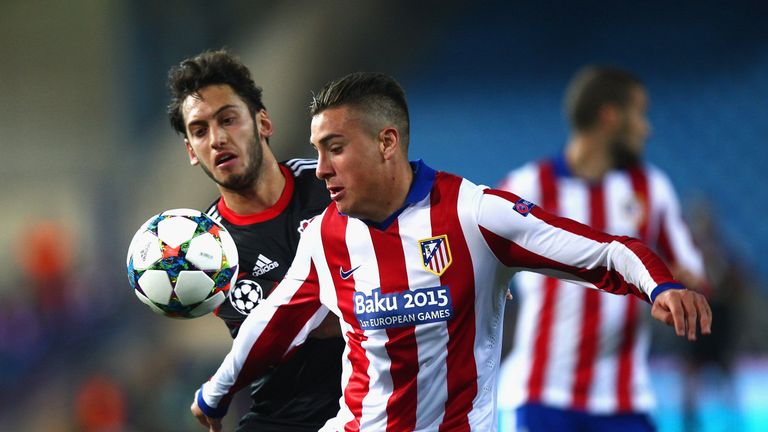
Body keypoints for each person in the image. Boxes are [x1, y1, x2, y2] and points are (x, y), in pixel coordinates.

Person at [189, 71, 712, 432]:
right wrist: (215, 390)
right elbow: (275, 321)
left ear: (387, 142)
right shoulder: (327, 234)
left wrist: (660, 285)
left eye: (336, 148)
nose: (320, 168)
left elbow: (604, 250)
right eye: (317, 150)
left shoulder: (475, 215)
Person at [495, 66, 709, 431]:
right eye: (639, 113)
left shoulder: (651, 188)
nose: (646, 127)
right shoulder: (526, 186)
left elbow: (694, 274)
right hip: (541, 397)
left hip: (624, 401)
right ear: (610, 116)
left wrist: (683, 286)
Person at [166, 49, 344, 432]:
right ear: (190, 152)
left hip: (382, 397)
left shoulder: (332, 183)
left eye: (228, 119)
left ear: (263, 122)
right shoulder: (206, 249)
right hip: (289, 413)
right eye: (200, 131)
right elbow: (295, 329)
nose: (217, 139)